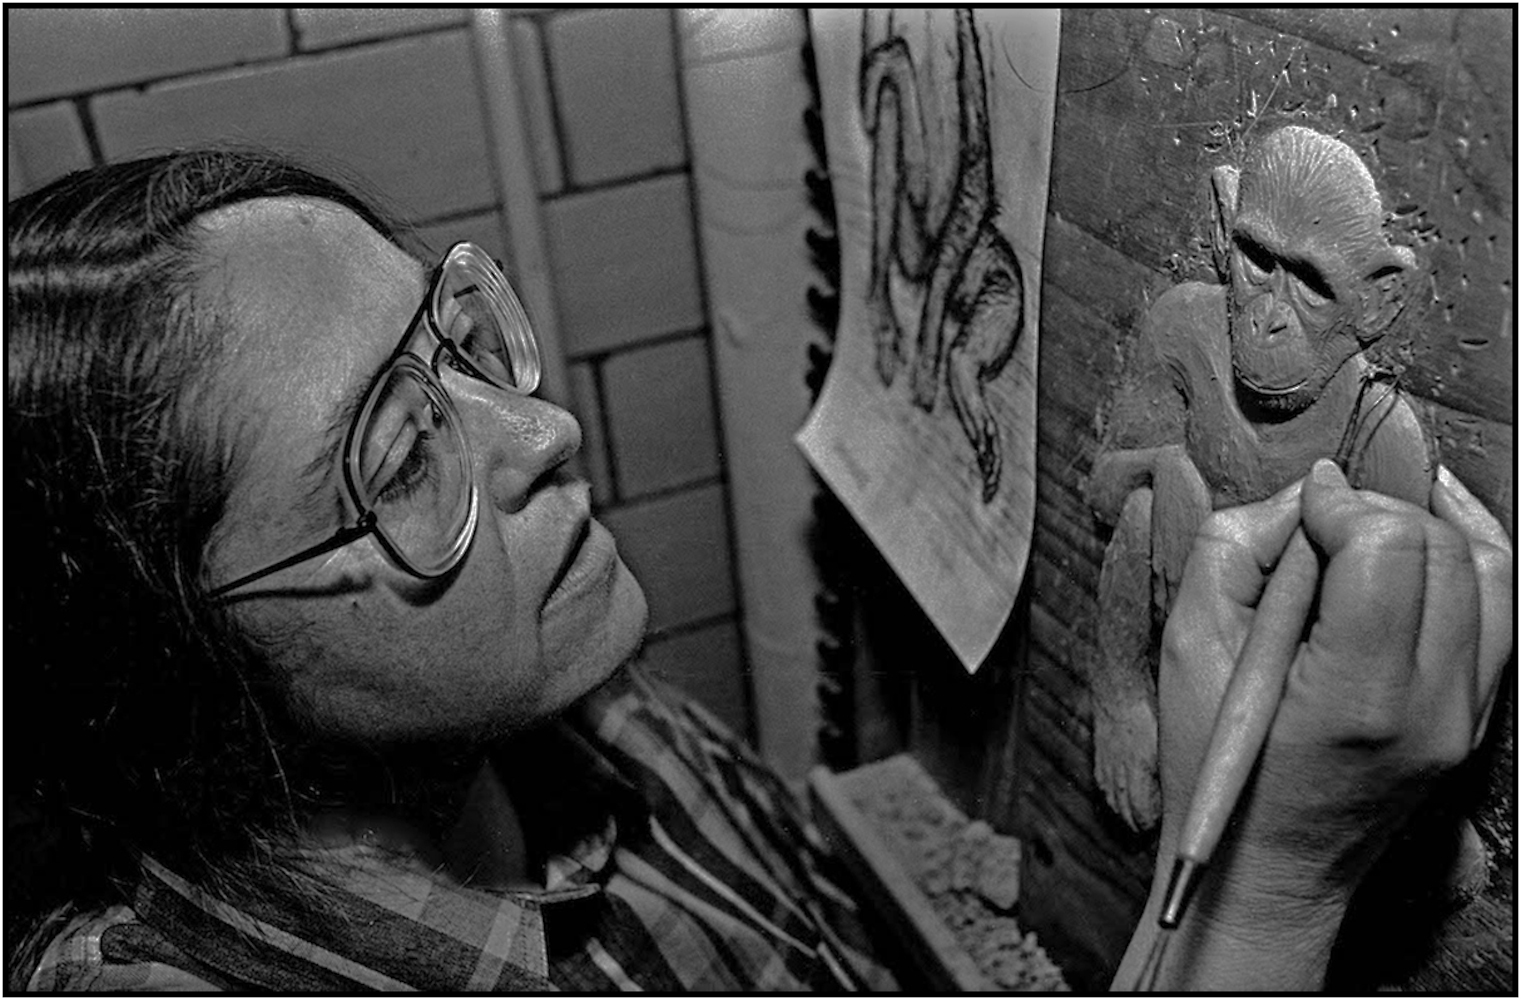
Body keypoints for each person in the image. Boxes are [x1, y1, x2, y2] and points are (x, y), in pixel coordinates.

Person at [6, 149, 1510, 993]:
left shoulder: (588, 719)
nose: (544, 427)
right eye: (401, 460)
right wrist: (1261, 889)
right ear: (176, 666)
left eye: (456, 339)